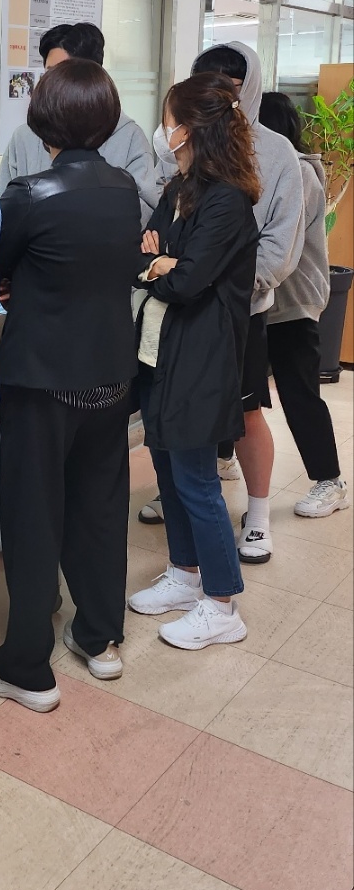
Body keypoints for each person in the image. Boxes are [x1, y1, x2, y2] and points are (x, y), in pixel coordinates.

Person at [0, 60, 140, 709]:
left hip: (41, 380)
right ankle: (99, 640)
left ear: (43, 119)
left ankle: (26, 666)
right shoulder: (123, 188)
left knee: (33, 513)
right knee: (100, 508)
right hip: (110, 374)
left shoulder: (29, 194)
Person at [148, 42, 304, 562]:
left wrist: (217, 280)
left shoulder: (276, 154)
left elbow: (279, 246)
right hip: (180, 310)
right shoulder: (184, 159)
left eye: (231, 85)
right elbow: (156, 239)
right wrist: (171, 265)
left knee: (246, 412)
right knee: (188, 424)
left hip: (240, 309)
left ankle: (257, 515)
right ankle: (187, 520)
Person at [128, 73, 260, 648]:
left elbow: (185, 282)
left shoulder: (226, 200)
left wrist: (166, 265)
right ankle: (184, 574)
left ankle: (223, 603)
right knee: (167, 471)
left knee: (197, 481)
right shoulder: (177, 189)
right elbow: (143, 254)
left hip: (201, 357)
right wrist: (160, 264)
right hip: (159, 351)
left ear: (188, 130)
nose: (164, 130)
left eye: (169, 120)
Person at [259, 92, 348, 517]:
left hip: (292, 302)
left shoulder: (297, 173)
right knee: (238, 390)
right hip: (259, 302)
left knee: (299, 393)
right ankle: (222, 456)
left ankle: (330, 481)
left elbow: (279, 248)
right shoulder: (260, 168)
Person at [0, 22, 158, 220]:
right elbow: (2, 209)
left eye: (64, 73)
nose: (54, 84)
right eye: (49, 73)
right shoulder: (24, 136)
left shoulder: (129, 136)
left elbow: (146, 209)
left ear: (93, 79)